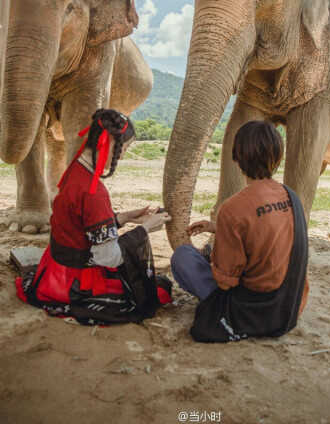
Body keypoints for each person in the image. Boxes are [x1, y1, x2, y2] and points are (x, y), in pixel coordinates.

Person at [16, 108, 172, 325]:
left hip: (52, 270)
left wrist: (123, 218)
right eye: (123, 148)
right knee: (160, 289)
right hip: (74, 283)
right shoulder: (93, 191)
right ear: (108, 143)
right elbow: (108, 257)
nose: (123, 155)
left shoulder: (75, 170)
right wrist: (145, 228)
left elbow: (81, 225)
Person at [171, 120, 309, 343]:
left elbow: (227, 283)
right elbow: (266, 226)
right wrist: (217, 227)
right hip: (291, 307)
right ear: (277, 157)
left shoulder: (233, 208)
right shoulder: (292, 197)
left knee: (183, 257)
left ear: (236, 158)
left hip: (254, 312)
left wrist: (218, 251)